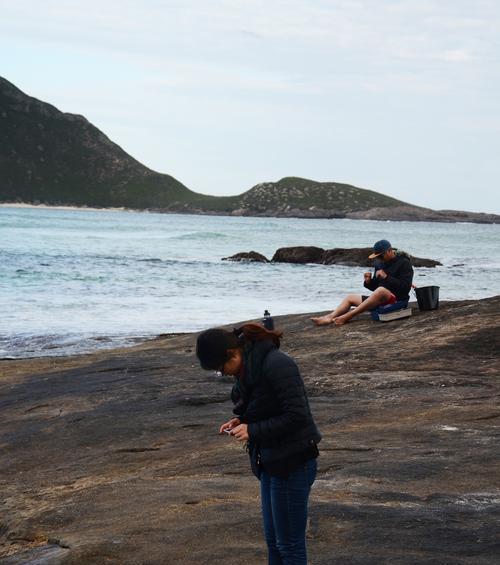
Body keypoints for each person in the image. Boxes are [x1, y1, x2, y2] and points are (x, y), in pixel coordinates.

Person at [196, 323, 321, 565]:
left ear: (233, 353)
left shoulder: (277, 365)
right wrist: (242, 420)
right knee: (274, 542)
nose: (223, 374)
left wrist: (252, 430)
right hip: (270, 461)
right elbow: (265, 405)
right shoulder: (248, 370)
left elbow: (297, 416)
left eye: (221, 368)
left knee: (289, 545)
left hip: (293, 462)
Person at [311, 239, 414, 326]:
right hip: (380, 298)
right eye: (377, 257)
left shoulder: (404, 263)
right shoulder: (380, 264)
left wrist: (386, 277)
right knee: (350, 297)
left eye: (380, 256)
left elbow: (405, 288)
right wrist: (368, 282)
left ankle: (347, 316)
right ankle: (329, 317)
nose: (379, 259)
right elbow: (376, 287)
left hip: (397, 300)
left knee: (381, 290)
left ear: (389, 251)